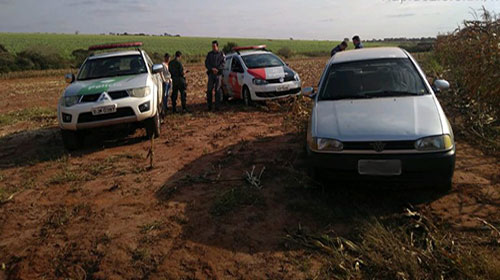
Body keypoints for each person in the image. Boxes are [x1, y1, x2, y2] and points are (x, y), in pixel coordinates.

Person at [204, 40, 225, 111]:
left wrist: (218, 69)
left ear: (217, 46)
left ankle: (217, 106)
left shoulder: (221, 54)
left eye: (214, 46)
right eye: (212, 46)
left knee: (217, 90)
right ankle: (209, 106)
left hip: (218, 74)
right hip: (211, 74)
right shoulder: (209, 54)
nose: (213, 47)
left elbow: (223, 63)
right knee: (209, 90)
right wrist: (212, 69)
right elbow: (206, 63)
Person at [160, 53, 172, 118]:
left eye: (169, 58)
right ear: (165, 58)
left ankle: (166, 106)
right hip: (165, 81)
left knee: (167, 94)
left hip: (169, 80)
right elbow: (161, 73)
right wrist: (163, 80)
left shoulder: (169, 64)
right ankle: (164, 107)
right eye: (167, 58)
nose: (168, 59)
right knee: (164, 95)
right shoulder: (163, 64)